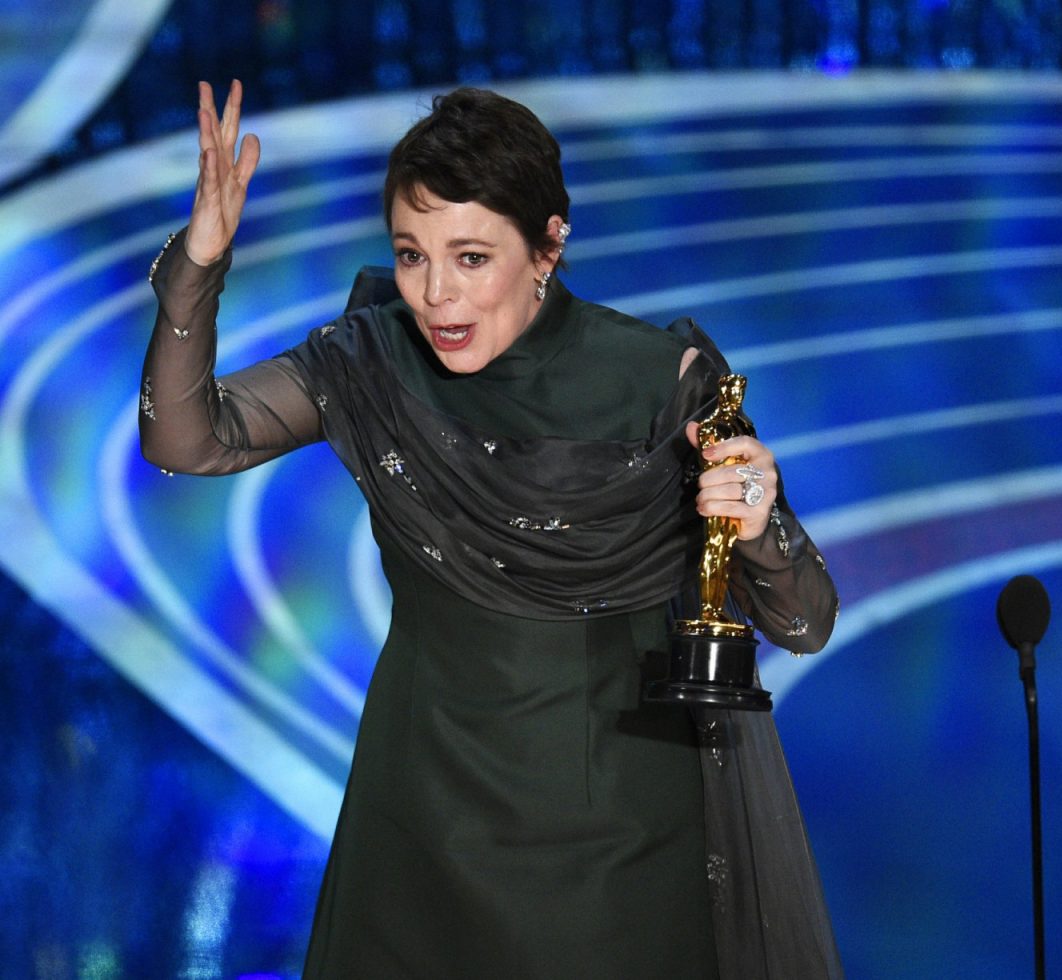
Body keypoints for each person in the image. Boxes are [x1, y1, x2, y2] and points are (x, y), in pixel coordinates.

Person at [141, 79, 842, 979]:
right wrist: (198, 264)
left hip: (617, 848)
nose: (436, 295)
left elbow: (806, 621)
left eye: (471, 258)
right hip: (419, 829)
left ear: (549, 244)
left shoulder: (662, 382)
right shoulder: (372, 359)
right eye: (410, 255)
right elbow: (185, 437)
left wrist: (755, 529)